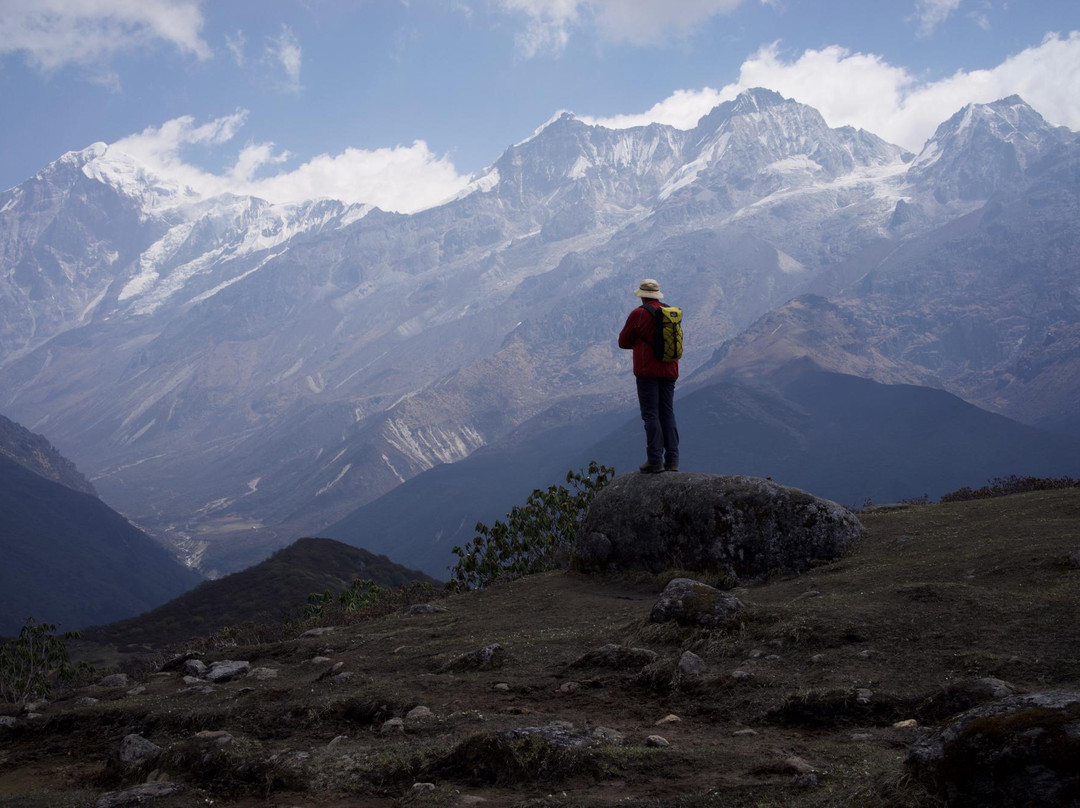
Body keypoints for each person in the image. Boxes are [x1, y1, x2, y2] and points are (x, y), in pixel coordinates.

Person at [618, 278, 679, 473]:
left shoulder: (639, 314)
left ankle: (654, 459)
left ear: (642, 295)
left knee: (651, 414)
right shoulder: (670, 313)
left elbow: (623, 341)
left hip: (647, 372)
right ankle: (673, 460)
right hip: (670, 370)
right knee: (667, 413)